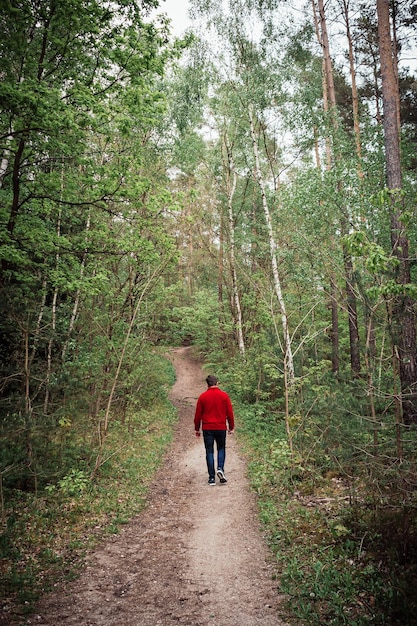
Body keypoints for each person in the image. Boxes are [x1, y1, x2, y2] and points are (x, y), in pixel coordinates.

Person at [194, 375, 235, 485]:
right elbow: (230, 413)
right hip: (220, 427)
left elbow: (198, 414)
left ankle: (211, 478)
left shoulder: (203, 397)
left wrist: (197, 428)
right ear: (217, 383)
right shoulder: (224, 396)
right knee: (221, 448)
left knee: (209, 451)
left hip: (207, 428)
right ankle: (220, 468)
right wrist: (231, 427)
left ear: (207, 384)